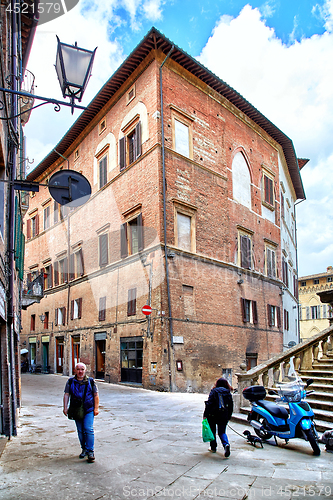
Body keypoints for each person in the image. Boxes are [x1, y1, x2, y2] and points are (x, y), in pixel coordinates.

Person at [63, 362, 99, 462]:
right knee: (80, 430)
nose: (80, 371)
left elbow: (96, 395)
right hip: (76, 409)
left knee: (88, 428)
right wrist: (65, 407)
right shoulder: (70, 381)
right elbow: (66, 394)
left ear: (85, 370)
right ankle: (84, 449)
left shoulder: (90, 381)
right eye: (78, 369)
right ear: (75, 370)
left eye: (82, 369)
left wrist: (96, 408)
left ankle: (90, 451)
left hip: (88, 408)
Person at [203, 377, 233, 457]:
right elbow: (231, 406)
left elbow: (209, 403)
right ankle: (226, 444)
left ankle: (213, 447)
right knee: (222, 432)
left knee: (212, 431)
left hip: (212, 415)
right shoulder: (228, 392)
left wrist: (205, 415)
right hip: (223, 415)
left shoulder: (214, 391)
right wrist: (229, 416)